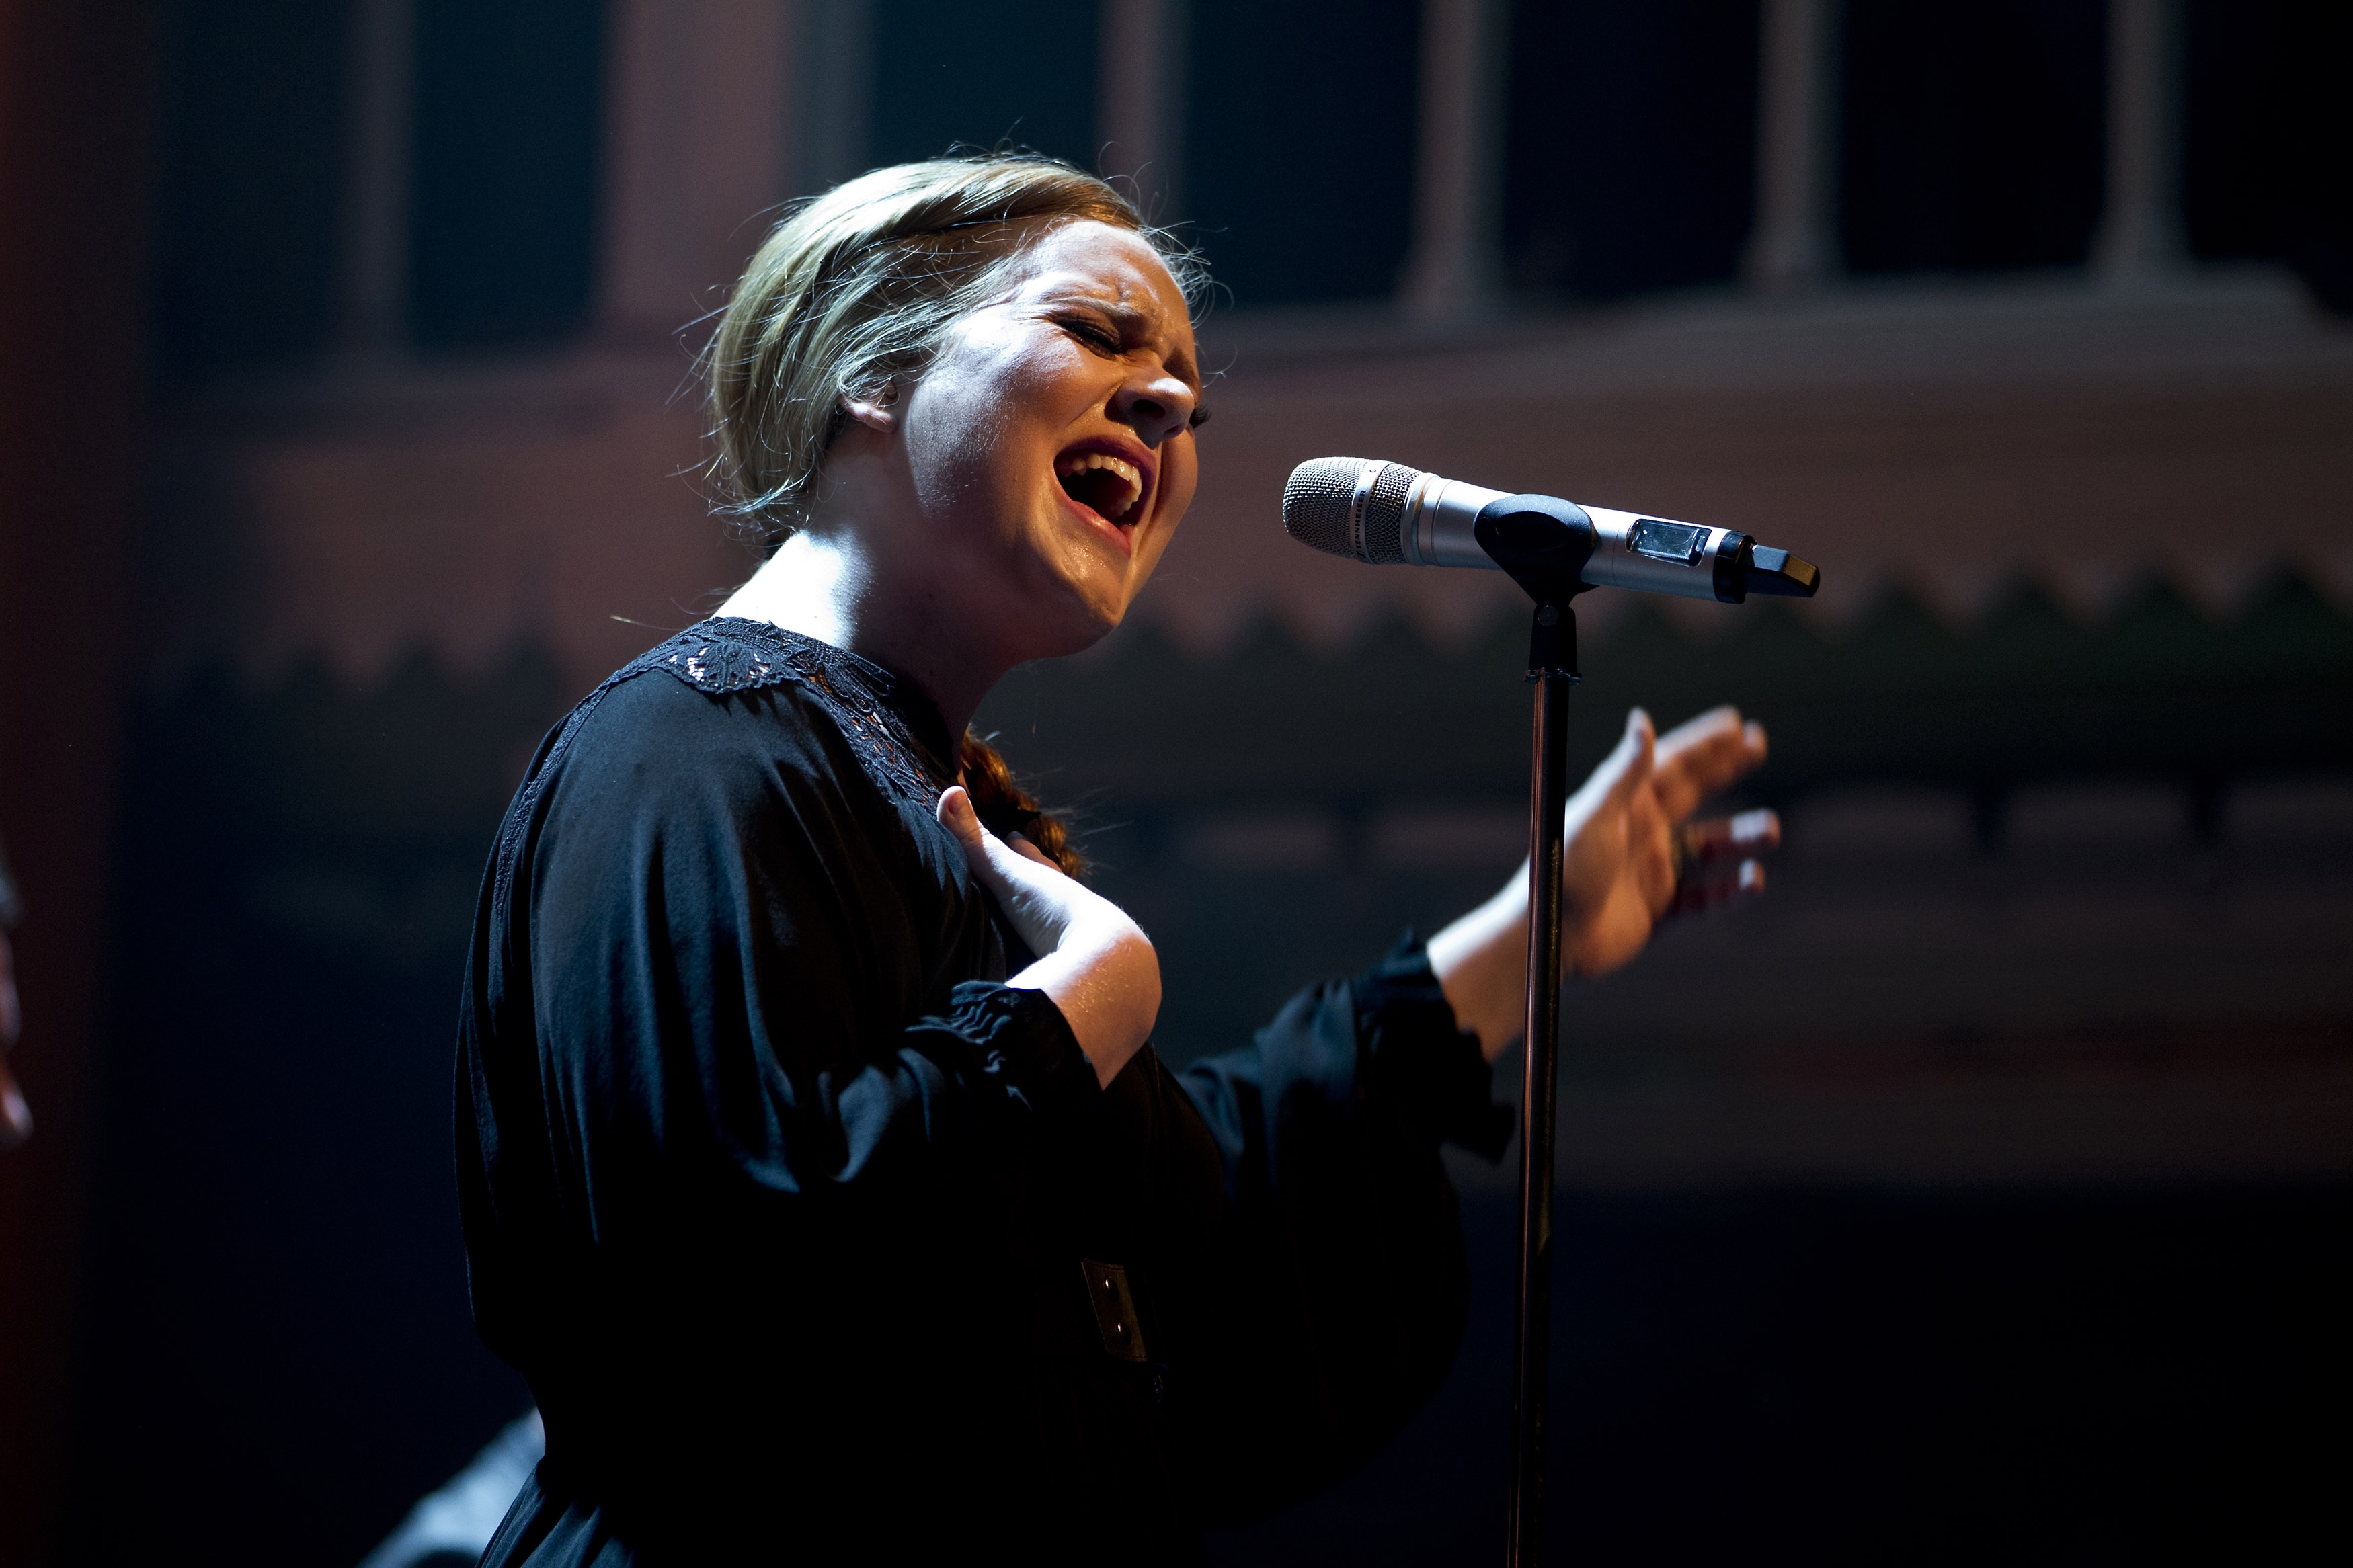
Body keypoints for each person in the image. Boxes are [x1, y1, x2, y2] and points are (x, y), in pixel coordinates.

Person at [458, 155, 1774, 1565]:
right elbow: (737, 1278)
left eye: (1189, 398)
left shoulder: (921, 793)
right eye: (1094, 333)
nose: (1165, 404)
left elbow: (1193, 1254)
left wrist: (1531, 937)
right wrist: (1066, 1010)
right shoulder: (689, 752)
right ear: (869, 367)